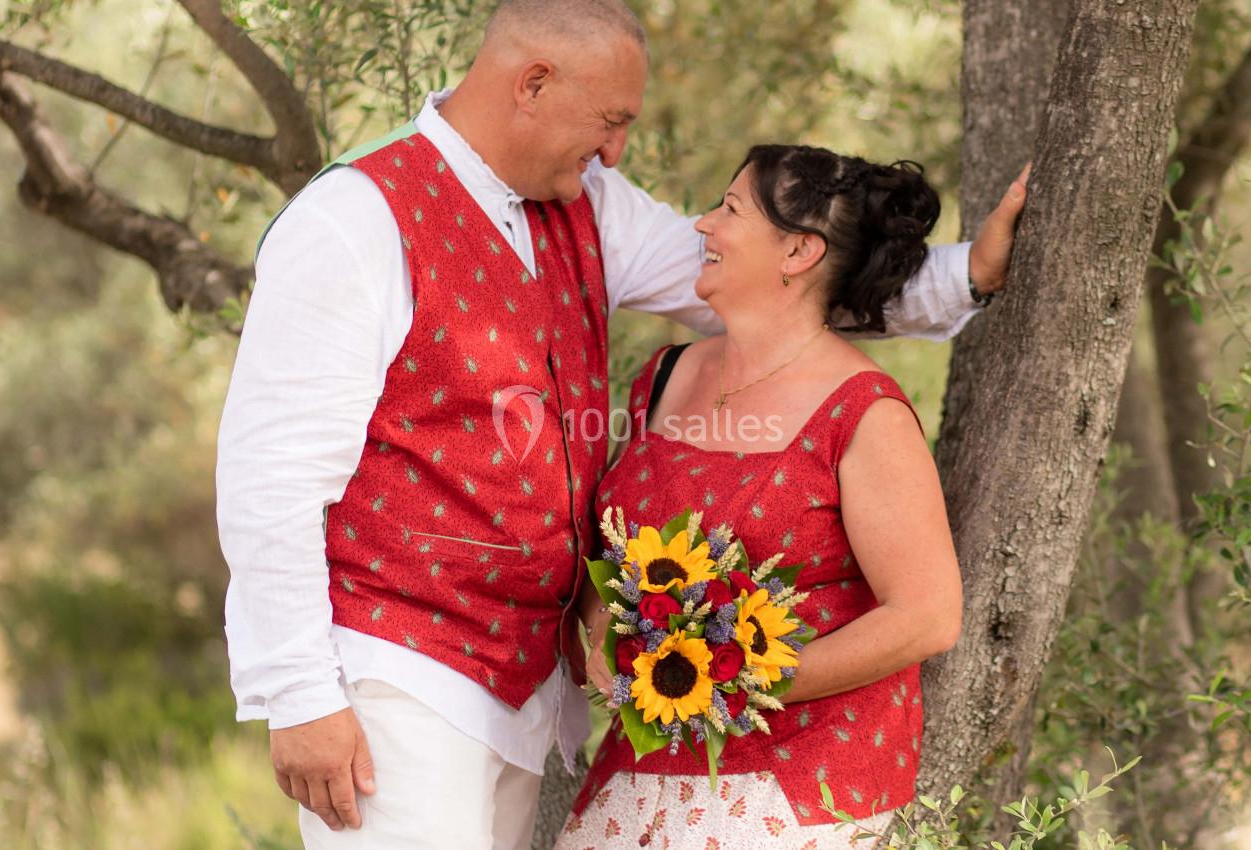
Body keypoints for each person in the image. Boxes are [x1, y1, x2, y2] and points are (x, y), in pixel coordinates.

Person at [215, 1, 1027, 848]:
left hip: (521, 695)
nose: (615, 150)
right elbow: (271, 476)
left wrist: (962, 274)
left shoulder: (589, 205)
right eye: (610, 121)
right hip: (396, 673)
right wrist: (298, 694)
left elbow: (779, 293)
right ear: (533, 84)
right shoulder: (356, 217)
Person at [559, 145, 964, 849]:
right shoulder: (664, 376)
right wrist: (600, 628)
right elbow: (614, 548)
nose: (703, 226)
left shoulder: (864, 412)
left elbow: (927, 616)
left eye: (730, 210)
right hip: (646, 764)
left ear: (798, 252)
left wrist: (733, 681)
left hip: (803, 781)